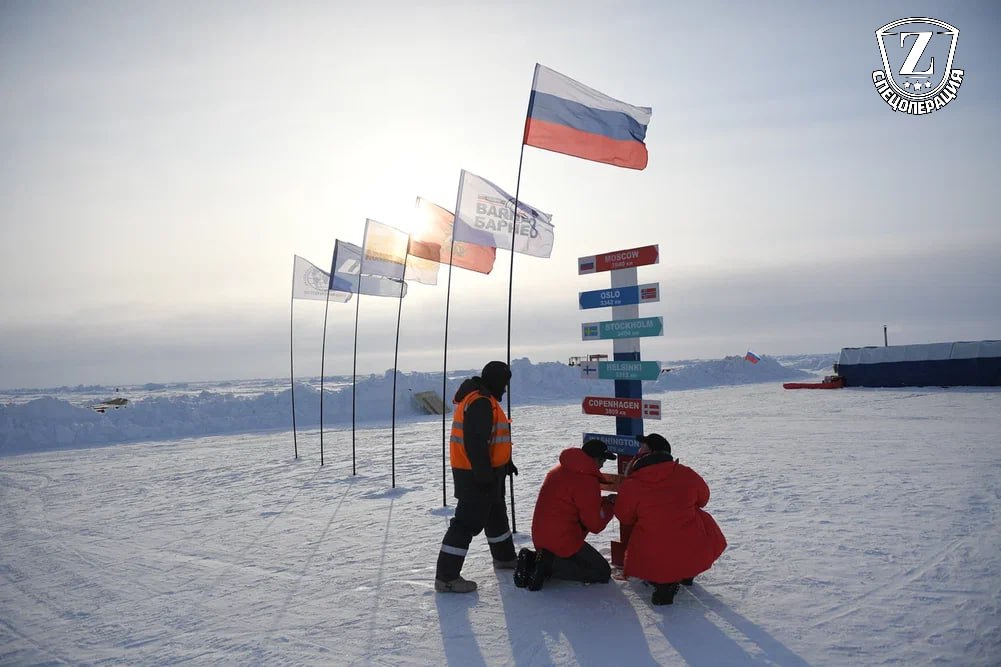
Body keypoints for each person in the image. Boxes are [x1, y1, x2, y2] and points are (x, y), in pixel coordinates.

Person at [434, 361, 518, 593]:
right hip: (476, 475)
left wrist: (505, 462)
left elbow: (491, 439)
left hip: (487, 471)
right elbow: (475, 443)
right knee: (466, 523)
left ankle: (504, 558)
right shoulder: (480, 402)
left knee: (496, 516)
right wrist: (483, 475)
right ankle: (447, 577)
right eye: (503, 383)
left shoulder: (483, 399)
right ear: (494, 380)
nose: (505, 389)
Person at [614, 433, 727, 605]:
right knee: (699, 519)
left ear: (649, 454)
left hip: (653, 545)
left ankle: (664, 582)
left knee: (653, 531)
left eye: (642, 448)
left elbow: (624, 516)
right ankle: (686, 571)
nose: (638, 451)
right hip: (690, 542)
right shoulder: (686, 474)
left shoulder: (634, 483)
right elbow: (703, 499)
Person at [514, 439, 618, 591]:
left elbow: (572, 501)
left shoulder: (559, 470)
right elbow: (595, 525)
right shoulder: (587, 481)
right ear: (595, 459)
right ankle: (545, 566)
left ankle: (534, 559)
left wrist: (602, 501)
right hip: (563, 539)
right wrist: (610, 506)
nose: (602, 465)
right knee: (601, 572)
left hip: (542, 535)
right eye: (602, 460)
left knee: (579, 561)